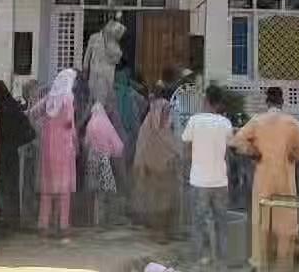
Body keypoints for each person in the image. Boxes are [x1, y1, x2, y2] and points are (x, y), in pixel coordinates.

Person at [231, 87, 299, 271]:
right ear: (282, 101)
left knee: (261, 222)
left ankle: (261, 264)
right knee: (286, 225)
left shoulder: (257, 121)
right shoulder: (290, 122)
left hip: (264, 177)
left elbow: (236, 142)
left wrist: (253, 152)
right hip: (285, 179)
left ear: (267, 101)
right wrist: (297, 154)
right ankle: (283, 266)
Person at [182, 85, 233, 267]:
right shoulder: (226, 124)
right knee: (221, 223)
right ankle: (221, 261)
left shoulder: (194, 121)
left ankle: (199, 261)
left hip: (199, 181)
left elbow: (187, 149)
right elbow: (227, 152)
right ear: (218, 103)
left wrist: (188, 168)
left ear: (205, 100)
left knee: (198, 223)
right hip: (220, 181)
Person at [0, 80, 34, 235]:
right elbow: (30, 132)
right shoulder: (13, 107)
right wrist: (15, 142)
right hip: (11, 155)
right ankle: (11, 222)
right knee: (10, 188)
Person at [132, 88, 181, 239]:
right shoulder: (151, 131)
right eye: (165, 112)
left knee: (167, 199)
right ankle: (158, 232)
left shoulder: (164, 132)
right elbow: (143, 151)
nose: (167, 115)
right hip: (153, 171)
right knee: (157, 200)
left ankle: (166, 231)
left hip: (164, 170)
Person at [37, 69, 78, 237]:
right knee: (64, 190)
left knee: (47, 189)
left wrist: (45, 130)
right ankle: (63, 224)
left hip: (48, 150)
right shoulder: (67, 99)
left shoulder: (49, 99)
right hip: (63, 150)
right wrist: (74, 139)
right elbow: (69, 124)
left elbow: (32, 113)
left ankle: (43, 223)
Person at [84, 101, 124, 227]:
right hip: (103, 159)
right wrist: (112, 152)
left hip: (92, 158)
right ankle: (103, 219)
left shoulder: (90, 124)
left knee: (94, 188)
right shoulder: (106, 124)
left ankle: (95, 217)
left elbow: (86, 143)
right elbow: (117, 144)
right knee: (104, 189)